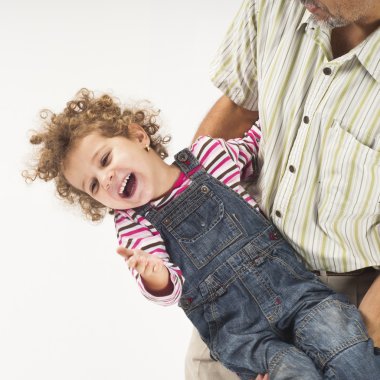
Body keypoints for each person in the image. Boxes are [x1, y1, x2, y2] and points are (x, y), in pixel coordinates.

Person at [24, 89, 380, 379]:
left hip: (296, 293)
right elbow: (169, 288)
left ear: (138, 135)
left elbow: (265, 141)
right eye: (94, 185)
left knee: (343, 340)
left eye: (105, 160)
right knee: (295, 371)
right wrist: (157, 277)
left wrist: (291, 112)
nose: (107, 180)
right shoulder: (133, 226)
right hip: (243, 335)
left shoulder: (209, 156)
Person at [185, 0, 380, 379]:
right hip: (235, 282)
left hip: (350, 301)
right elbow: (239, 110)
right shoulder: (275, 4)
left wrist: (351, 351)